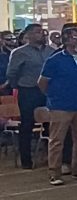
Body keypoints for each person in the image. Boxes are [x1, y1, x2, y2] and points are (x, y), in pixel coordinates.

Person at [38, 27, 77, 185]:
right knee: (57, 140)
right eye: (76, 37)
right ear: (66, 40)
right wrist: (53, 97)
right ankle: (54, 173)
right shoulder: (55, 60)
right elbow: (42, 82)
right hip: (60, 106)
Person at [6, 24, 56, 169]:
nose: (42, 34)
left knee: (50, 124)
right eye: (38, 32)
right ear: (28, 35)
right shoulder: (19, 52)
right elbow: (12, 73)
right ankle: (26, 159)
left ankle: (50, 156)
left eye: (43, 32)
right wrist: (19, 85)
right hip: (29, 91)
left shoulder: (50, 51)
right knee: (27, 124)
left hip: (47, 91)